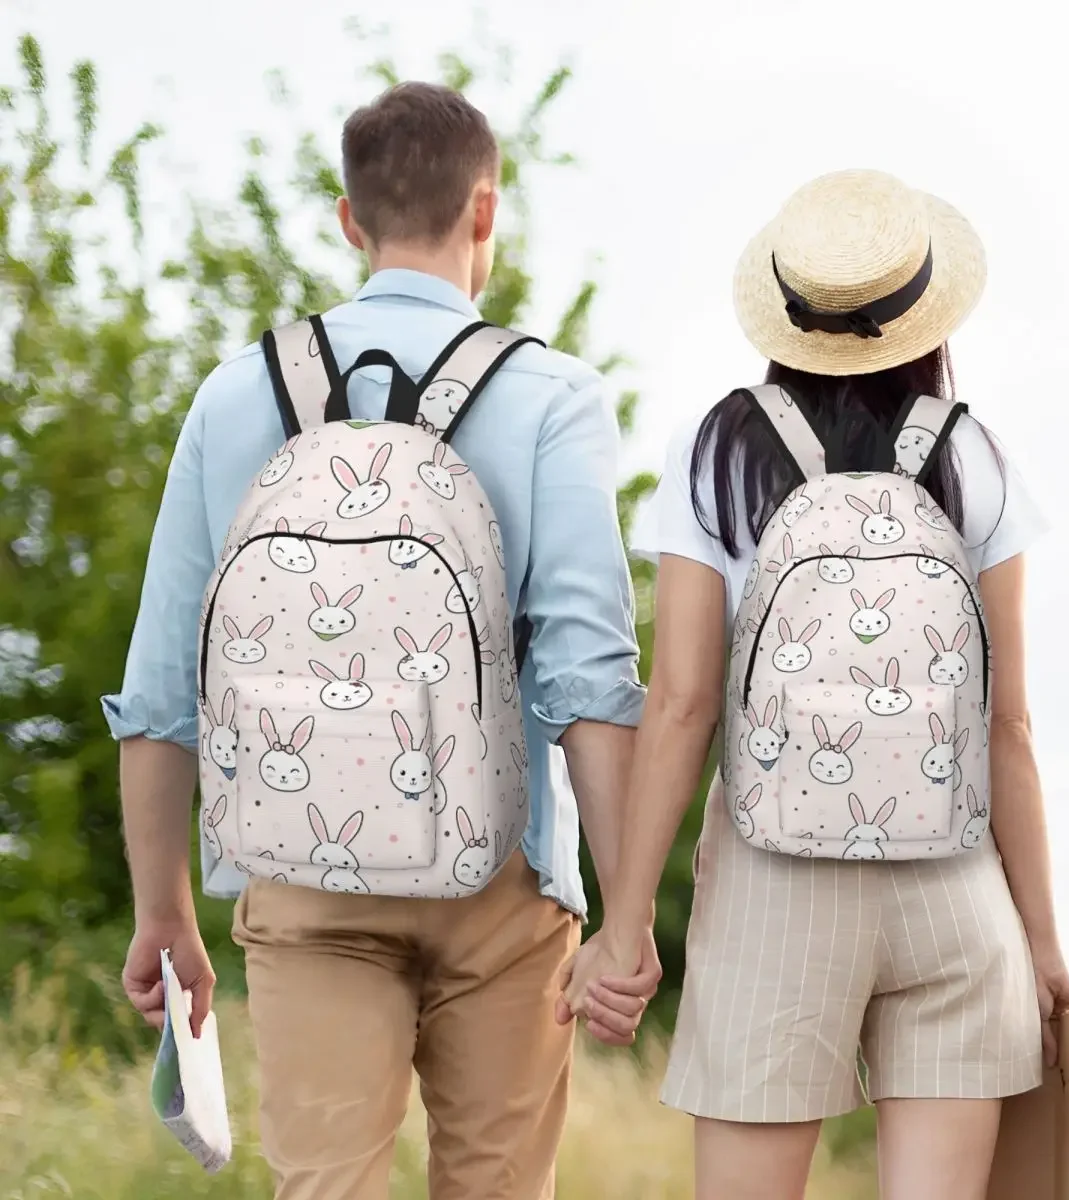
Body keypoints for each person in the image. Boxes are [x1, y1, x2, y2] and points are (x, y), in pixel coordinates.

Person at [105, 81, 660, 1200]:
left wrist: (162, 910)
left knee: (325, 1186)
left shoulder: (236, 394)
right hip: (503, 876)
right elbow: (588, 677)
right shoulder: (550, 395)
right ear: (485, 213)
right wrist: (627, 913)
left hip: (301, 871)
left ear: (349, 220)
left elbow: (164, 685)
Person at [561, 169, 1069, 1200]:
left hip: (773, 885)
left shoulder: (717, 449)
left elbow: (682, 704)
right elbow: (1008, 725)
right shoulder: (976, 455)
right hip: (955, 887)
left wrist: (624, 926)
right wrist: (1042, 943)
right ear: (924, 313)